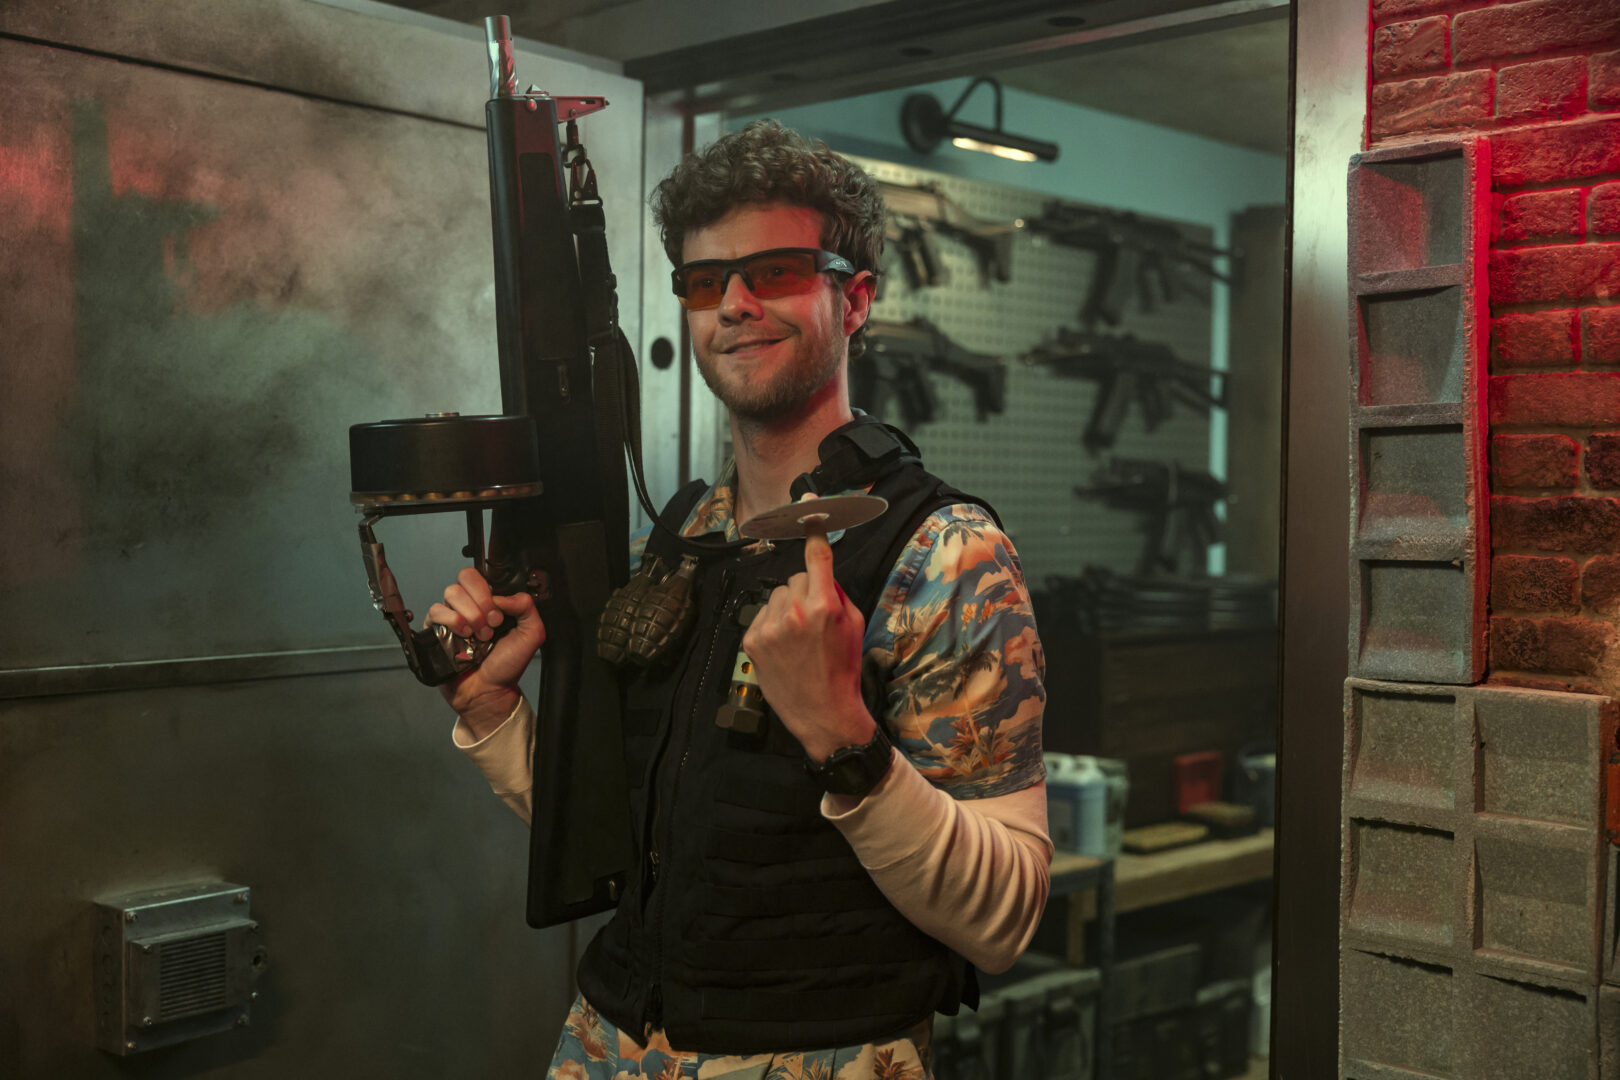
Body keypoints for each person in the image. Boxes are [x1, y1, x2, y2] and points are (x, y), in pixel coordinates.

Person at [427, 120, 1050, 1080]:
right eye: (706, 281)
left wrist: (843, 735)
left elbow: (1004, 919)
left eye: (778, 271)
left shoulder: (945, 554)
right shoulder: (675, 541)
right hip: (608, 1045)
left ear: (857, 299)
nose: (736, 304)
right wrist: (491, 711)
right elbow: (647, 833)